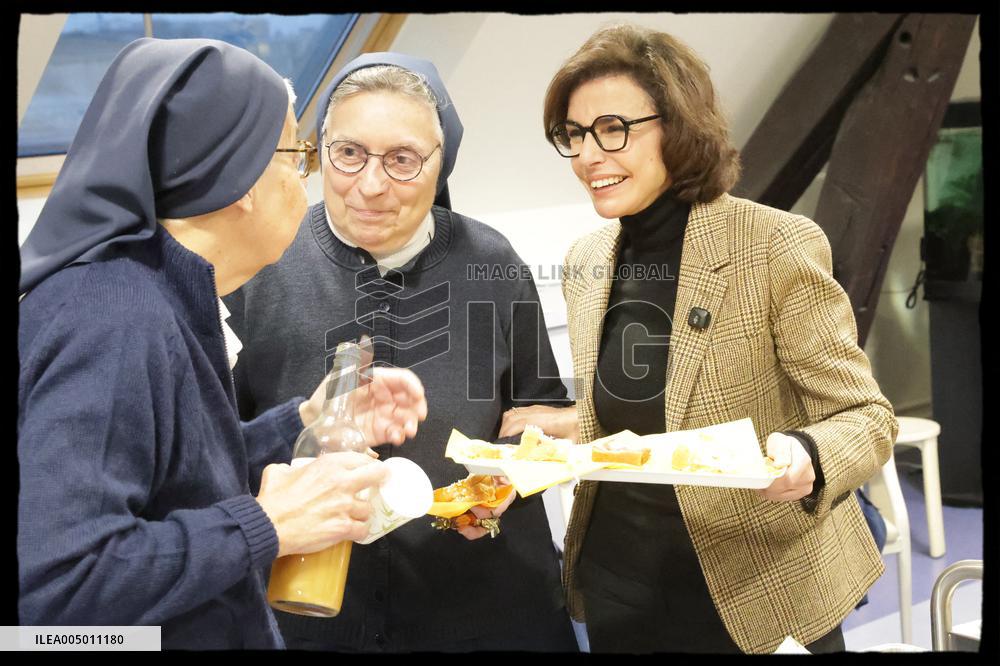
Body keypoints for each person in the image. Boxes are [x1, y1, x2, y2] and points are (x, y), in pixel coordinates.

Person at [17, 38, 428, 650]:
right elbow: (61, 592)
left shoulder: (157, 294)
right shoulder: (115, 318)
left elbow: (169, 477)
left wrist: (304, 421)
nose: (304, 181)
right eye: (296, 156)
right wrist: (268, 525)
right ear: (243, 179)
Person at [539, 25, 899, 654]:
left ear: (678, 128)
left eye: (613, 128)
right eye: (574, 135)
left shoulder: (773, 245)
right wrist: (558, 435)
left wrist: (808, 455)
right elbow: (641, 411)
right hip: (620, 589)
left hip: (759, 592)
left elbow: (866, 417)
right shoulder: (586, 261)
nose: (589, 155)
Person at [223, 52, 579, 652]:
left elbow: (541, 416)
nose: (370, 184)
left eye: (403, 160)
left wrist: (503, 482)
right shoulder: (257, 263)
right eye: (350, 153)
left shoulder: (491, 262)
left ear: (441, 165)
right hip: (310, 606)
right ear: (321, 150)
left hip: (483, 602)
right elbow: (215, 441)